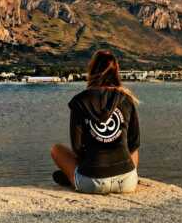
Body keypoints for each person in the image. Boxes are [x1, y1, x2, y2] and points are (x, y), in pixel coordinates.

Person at [50, 50, 140, 194]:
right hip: (127, 183)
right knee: (132, 148)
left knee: (56, 150)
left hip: (92, 183)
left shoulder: (80, 101)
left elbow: (77, 147)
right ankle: (127, 176)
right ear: (116, 72)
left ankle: (74, 178)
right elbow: (134, 143)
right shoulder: (126, 99)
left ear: (91, 70)